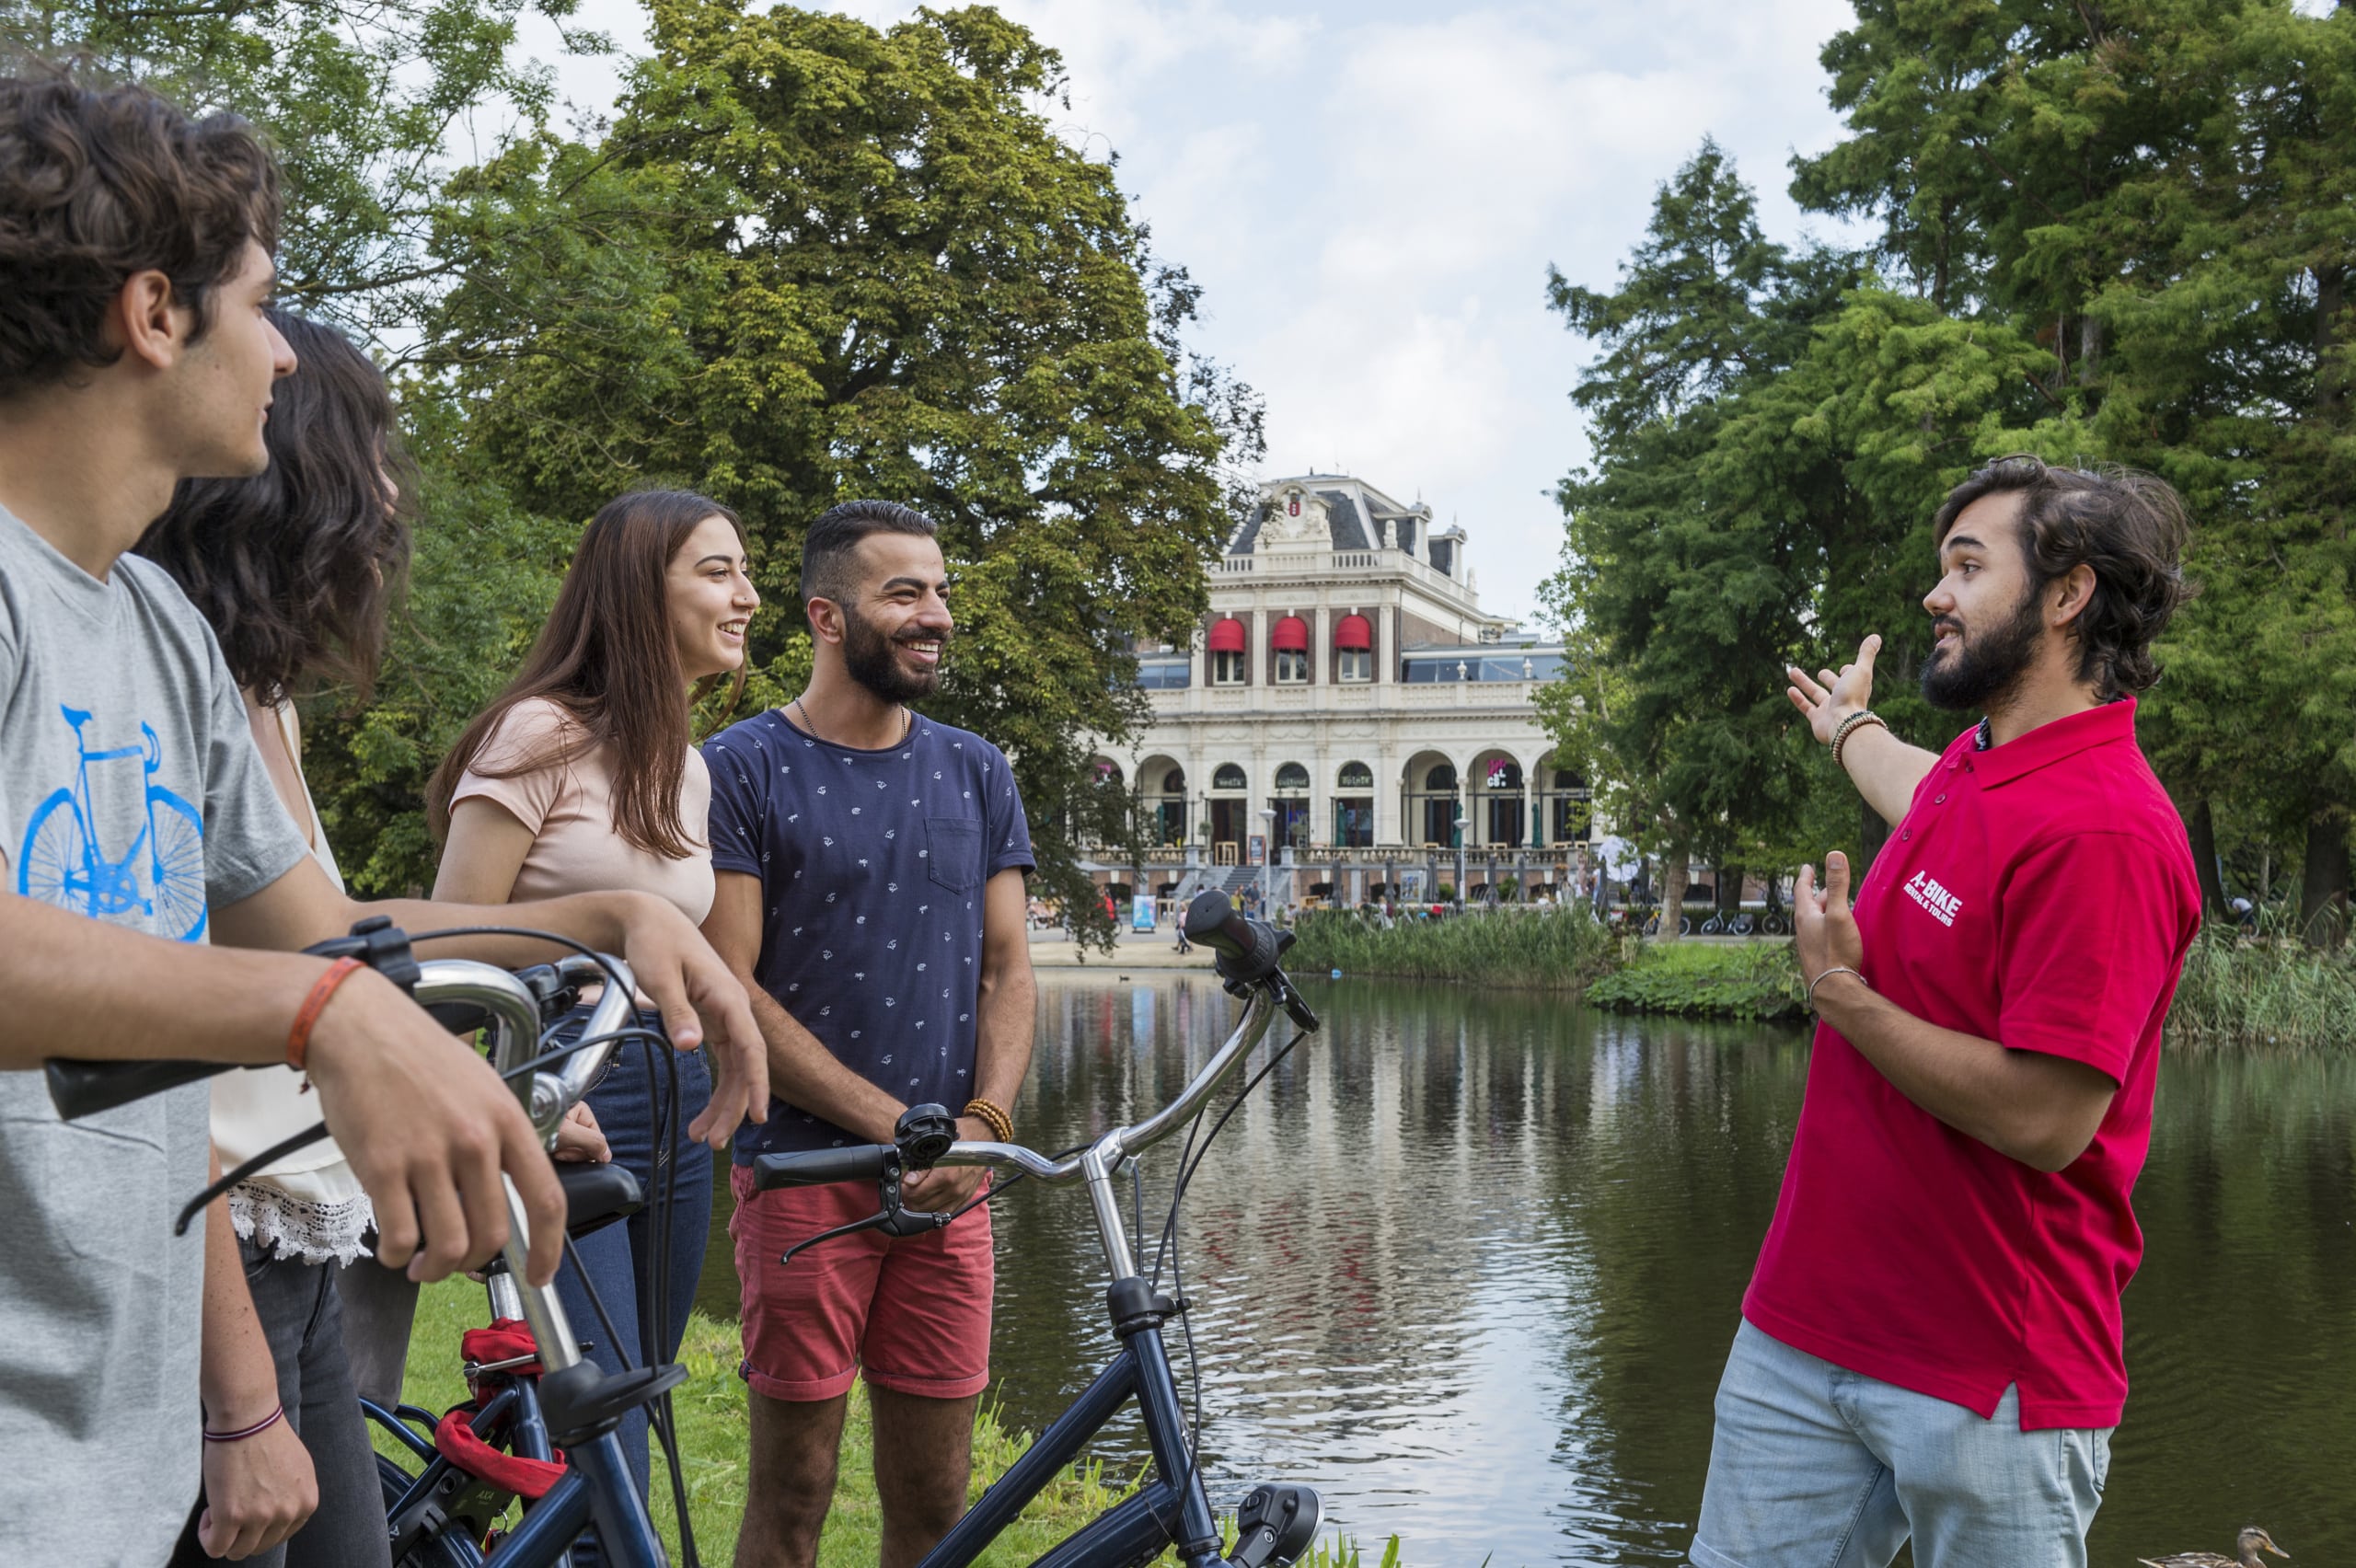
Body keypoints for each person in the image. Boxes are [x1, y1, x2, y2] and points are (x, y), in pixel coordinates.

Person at [0, 75, 767, 1564]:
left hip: (117, 1441)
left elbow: (328, 936)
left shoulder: (158, 625)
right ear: (154, 314)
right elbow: (317, 982)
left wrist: (596, 922)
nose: (287, 353)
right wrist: (331, 1016)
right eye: (265, 304)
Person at [1691, 456, 2201, 1568]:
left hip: (1990, 1383)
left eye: (1968, 567)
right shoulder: (1986, 767)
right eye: (1941, 567)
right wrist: (1845, 730)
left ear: (2066, 595)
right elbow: (1917, 784)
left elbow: (2045, 1119)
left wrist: (1839, 997)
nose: (1936, 594)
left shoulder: (2106, 832)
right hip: (1801, 1333)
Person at [702, 499, 1036, 1568]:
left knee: (939, 1509)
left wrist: (981, 1124)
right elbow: (731, 984)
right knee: (793, 1494)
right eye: (905, 593)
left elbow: (1008, 967)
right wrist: (899, 1128)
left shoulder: (977, 769)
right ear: (826, 617)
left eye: (939, 591)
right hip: (807, 1175)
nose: (935, 614)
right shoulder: (739, 768)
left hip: (951, 1187)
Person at [135, 307, 414, 1568]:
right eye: (376, 449)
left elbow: (326, 941)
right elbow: (119, 1057)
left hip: (283, 1239)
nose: (395, 491)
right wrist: (237, 1396)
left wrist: (592, 932)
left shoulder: (250, 694)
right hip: (200, 1255)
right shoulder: (134, 666)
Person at [428, 488, 760, 1531]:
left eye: (744, 571)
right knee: (590, 1439)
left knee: (642, 1407)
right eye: (717, 571)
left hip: (672, 1091)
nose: (747, 595)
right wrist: (515, 1085)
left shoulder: (690, 771)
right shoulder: (538, 735)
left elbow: (680, 947)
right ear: (634, 588)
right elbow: (440, 945)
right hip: (566, 1089)